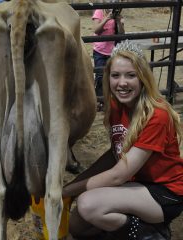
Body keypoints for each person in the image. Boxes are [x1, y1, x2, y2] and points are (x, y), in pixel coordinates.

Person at [63, 40, 183, 240]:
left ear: (143, 78)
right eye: (116, 75)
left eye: (131, 75)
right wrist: (76, 183)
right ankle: (132, 224)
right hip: (134, 185)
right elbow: (115, 154)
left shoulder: (157, 115)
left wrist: (67, 191)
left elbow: (119, 175)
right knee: (78, 227)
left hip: (164, 192)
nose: (122, 83)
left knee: (88, 204)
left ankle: (152, 232)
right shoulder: (117, 105)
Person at [92, 8, 124, 103]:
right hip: (100, 51)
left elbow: (122, 33)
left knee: (113, 76)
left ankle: (111, 100)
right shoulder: (99, 12)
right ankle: (100, 101)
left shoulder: (117, 15)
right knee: (100, 77)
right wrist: (106, 19)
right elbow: (96, 30)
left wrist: (118, 21)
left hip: (112, 51)